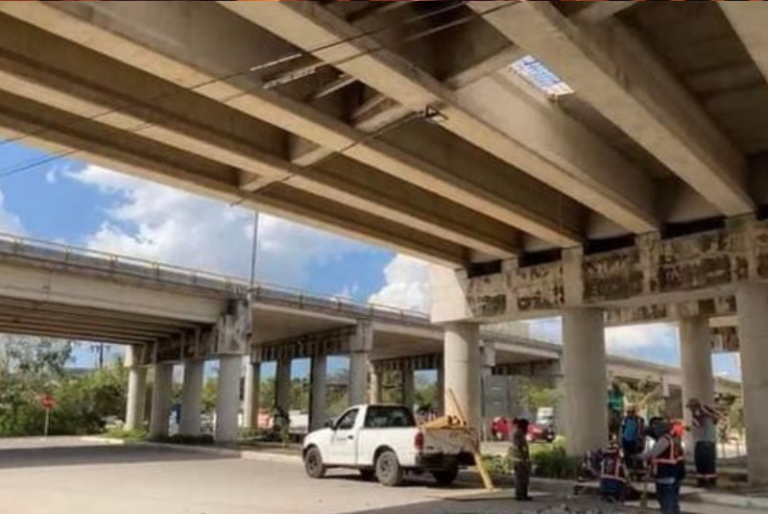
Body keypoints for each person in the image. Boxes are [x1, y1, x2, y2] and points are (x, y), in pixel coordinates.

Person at [645, 417, 685, 514]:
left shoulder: (665, 440)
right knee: (672, 502)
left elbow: (652, 454)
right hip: (674, 473)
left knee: (667, 502)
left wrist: (638, 456)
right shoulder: (672, 438)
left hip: (666, 474)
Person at [687, 398, 720, 487]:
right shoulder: (706, 413)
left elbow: (698, 425)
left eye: (690, 407)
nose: (690, 409)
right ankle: (707, 481)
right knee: (706, 463)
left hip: (703, 442)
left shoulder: (699, 413)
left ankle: (705, 482)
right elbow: (699, 427)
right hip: (707, 442)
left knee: (703, 463)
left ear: (694, 406)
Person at [509, 417, 532, 501]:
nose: (527, 429)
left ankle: (523, 494)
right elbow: (518, 447)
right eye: (526, 426)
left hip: (520, 459)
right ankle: (520, 495)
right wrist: (524, 458)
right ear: (523, 426)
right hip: (519, 459)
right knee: (521, 478)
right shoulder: (518, 433)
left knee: (523, 478)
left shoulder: (519, 433)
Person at [620, 405, 646, 470]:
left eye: (632, 412)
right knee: (627, 456)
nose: (630, 414)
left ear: (634, 412)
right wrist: (621, 440)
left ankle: (638, 468)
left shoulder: (639, 420)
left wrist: (641, 441)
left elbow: (642, 431)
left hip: (635, 441)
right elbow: (622, 430)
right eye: (628, 412)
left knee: (636, 456)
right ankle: (628, 468)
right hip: (626, 440)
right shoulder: (625, 420)